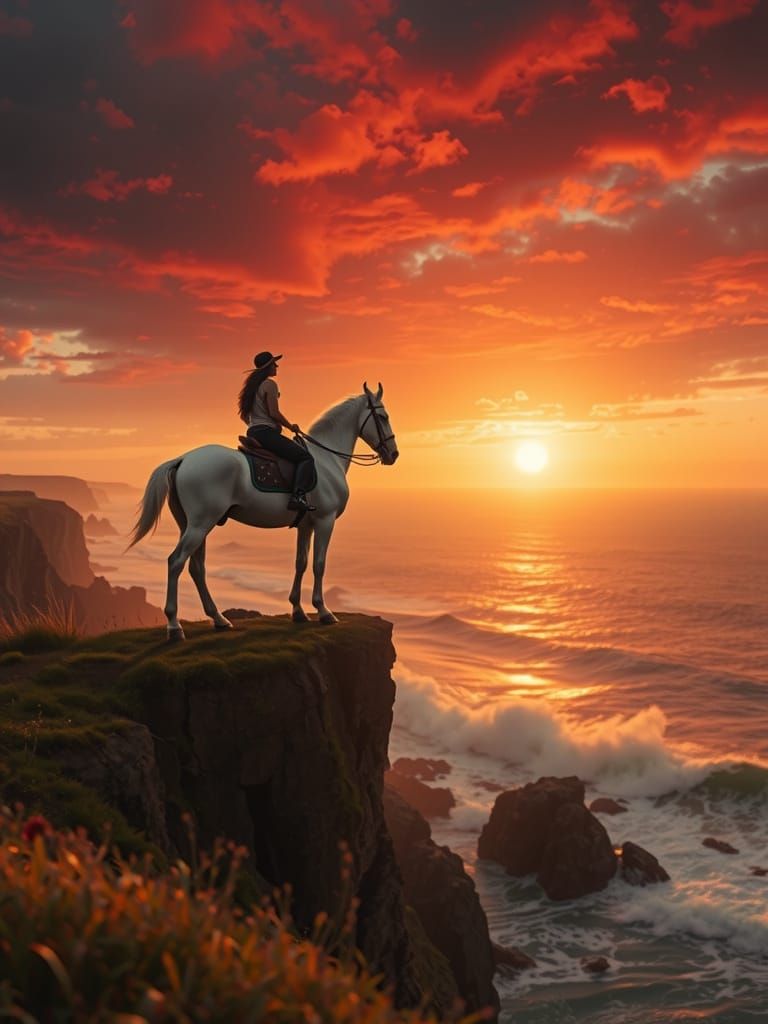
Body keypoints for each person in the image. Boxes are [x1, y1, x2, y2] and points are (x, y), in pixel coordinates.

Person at [238, 351, 316, 513]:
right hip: (266, 433)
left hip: (253, 431)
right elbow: (274, 413)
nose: (277, 366)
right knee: (305, 457)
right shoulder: (269, 385)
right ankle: (297, 497)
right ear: (268, 367)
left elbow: (245, 417)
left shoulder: (252, 388)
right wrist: (290, 426)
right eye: (274, 363)